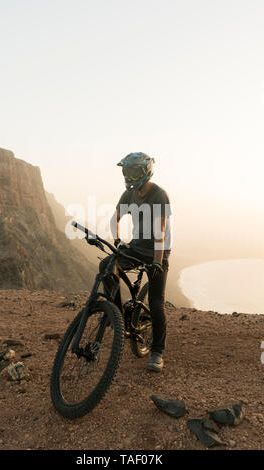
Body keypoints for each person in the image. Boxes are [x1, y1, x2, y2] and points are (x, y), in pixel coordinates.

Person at [98, 152, 172, 372]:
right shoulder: (128, 194)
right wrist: (118, 241)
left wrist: (157, 263)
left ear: (144, 171)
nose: (128, 176)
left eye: (132, 172)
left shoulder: (159, 195)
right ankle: (117, 315)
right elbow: (115, 219)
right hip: (137, 247)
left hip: (158, 251)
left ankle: (157, 352)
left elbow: (160, 232)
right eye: (126, 171)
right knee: (107, 267)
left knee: (157, 301)